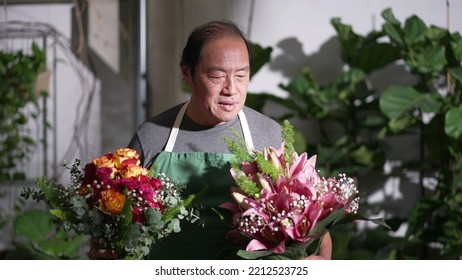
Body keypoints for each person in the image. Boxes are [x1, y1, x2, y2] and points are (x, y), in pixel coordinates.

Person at [89, 20, 331, 260]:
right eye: (217, 76)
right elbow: (115, 220)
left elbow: (309, 211)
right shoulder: (152, 136)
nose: (231, 89)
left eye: (241, 76)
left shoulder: (268, 135)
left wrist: (319, 257)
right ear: (187, 73)